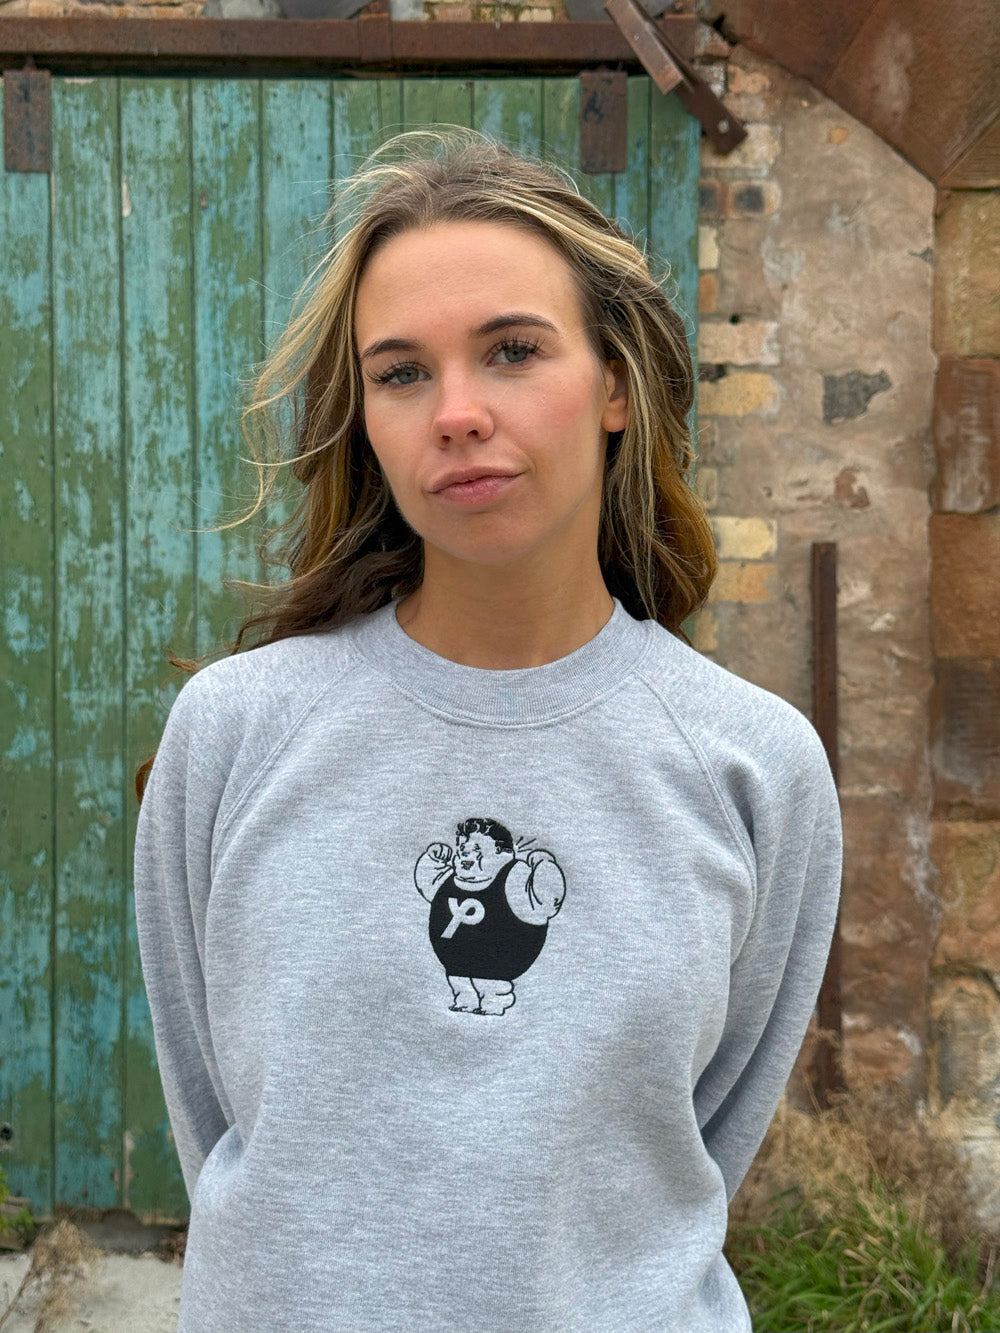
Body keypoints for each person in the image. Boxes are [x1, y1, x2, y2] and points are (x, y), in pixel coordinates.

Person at [133, 127, 842, 1333]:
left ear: (615, 385)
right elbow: (217, 1122)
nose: (455, 413)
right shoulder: (238, 732)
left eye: (512, 350)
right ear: (365, 418)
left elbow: (702, 1145)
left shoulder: (752, 765)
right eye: (402, 372)